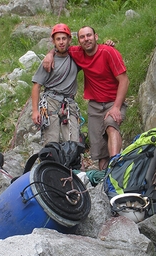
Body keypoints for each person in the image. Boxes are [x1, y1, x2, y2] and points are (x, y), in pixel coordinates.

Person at [43, 26, 130, 170]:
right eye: (82, 37)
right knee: (100, 151)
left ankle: (115, 165)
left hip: (113, 102)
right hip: (94, 105)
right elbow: (60, 48)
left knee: (111, 124)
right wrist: (49, 54)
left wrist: (116, 107)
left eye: (89, 35)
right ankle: (105, 180)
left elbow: (124, 80)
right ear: (78, 41)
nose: (86, 39)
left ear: (96, 37)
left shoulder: (108, 52)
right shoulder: (77, 52)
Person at [31, 23, 81, 145]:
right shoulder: (48, 62)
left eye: (64, 38)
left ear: (69, 39)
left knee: (73, 142)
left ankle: (71, 163)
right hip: (51, 101)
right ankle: (51, 163)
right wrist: (35, 111)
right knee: (52, 142)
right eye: (58, 39)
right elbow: (36, 86)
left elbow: (92, 51)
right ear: (53, 41)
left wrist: (107, 45)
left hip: (69, 103)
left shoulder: (76, 57)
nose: (61, 42)